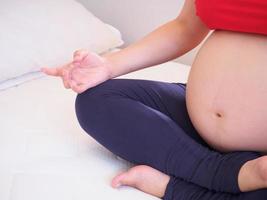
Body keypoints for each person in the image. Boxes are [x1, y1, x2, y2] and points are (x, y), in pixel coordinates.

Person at [41, 0, 267, 199]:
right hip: (196, 116)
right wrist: (108, 66)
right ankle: (221, 172)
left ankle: (176, 189)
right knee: (96, 101)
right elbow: (185, 27)